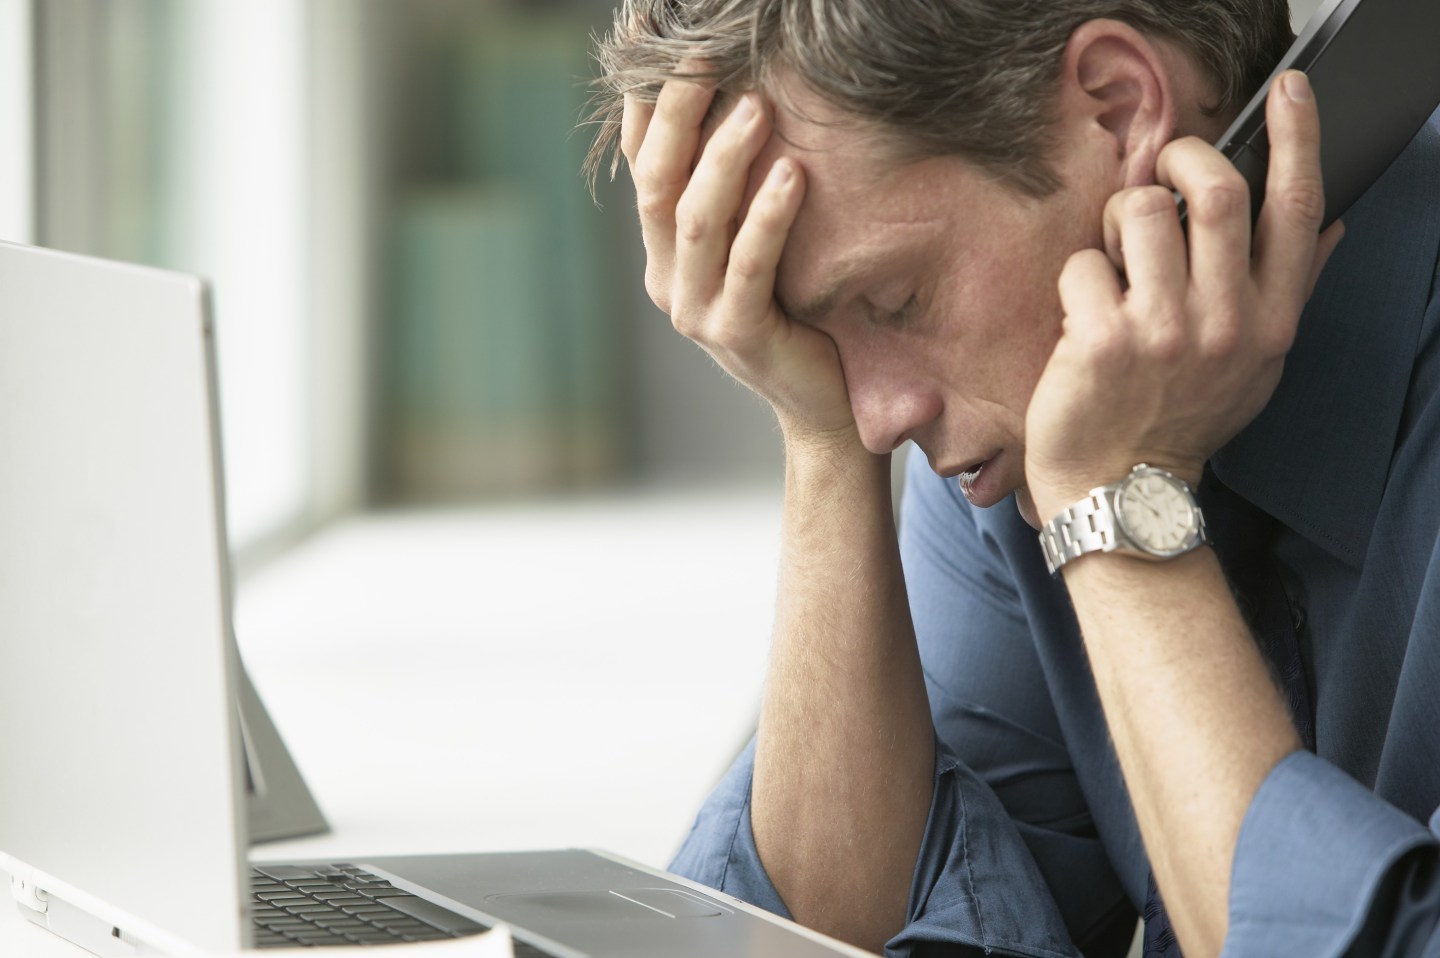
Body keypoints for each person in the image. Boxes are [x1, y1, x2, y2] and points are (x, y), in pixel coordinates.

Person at [583, 2, 1440, 955]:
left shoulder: (1066, 435)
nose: (882, 420)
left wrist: (1115, 499)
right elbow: (839, 939)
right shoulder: (1016, 422)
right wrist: (821, 441)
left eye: (895, 301)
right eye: (820, 337)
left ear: (1116, 110)